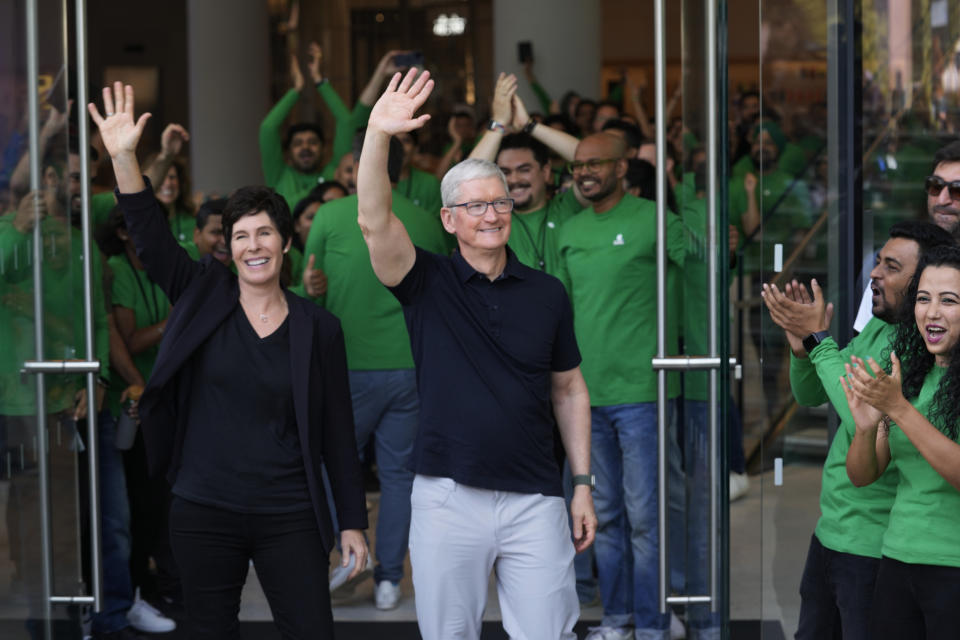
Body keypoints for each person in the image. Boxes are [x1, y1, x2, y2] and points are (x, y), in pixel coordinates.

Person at [89, 82, 368, 638]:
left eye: (266, 232)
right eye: (241, 235)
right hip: (204, 508)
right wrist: (123, 157)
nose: (253, 245)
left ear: (287, 242)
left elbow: (338, 432)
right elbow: (148, 236)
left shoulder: (320, 329)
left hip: (290, 512)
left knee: (312, 629)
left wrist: (353, 525)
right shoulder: (201, 296)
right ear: (228, 247)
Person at [357, 68, 596, 640]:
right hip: (447, 496)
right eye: (475, 206)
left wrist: (582, 483)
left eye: (501, 203)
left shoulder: (546, 292)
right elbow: (373, 220)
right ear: (449, 219)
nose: (491, 215)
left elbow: (568, 388)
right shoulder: (425, 281)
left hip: (535, 497)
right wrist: (378, 133)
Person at [762, 221, 953, 639]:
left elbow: (859, 411)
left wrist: (819, 342)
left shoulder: (917, 347)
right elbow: (815, 393)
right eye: (878, 262)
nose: (874, 273)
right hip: (832, 531)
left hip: (874, 543)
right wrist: (803, 348)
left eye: (890, 266)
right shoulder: (879, 327)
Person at [300, 131, 447, 609]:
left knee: (331, 466)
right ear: (401, 171)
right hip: (413, 369)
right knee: (401, 476)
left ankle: (341, 559)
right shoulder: (427, 220)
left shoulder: (329, 215)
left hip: (348, 367)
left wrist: (310, 286)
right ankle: (388, 578)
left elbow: (310, 296)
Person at [556, 131, 686, 640]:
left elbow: (707, 262)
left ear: (622, 167)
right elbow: (561, 315)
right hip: (585, 397)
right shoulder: (569, 230)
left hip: (643, 394)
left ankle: (653, 626)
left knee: (645, 521)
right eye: (577, 166)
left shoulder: (655, 219)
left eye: (595, 164)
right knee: (603, 518)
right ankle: (616, 621)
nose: (584, 172)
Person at [843, 243, 960, 638]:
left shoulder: (900, 397)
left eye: (949, 301)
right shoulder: (910, 375)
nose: (932, 312)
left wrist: (898, 409)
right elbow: (862, 475)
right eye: (923, 299)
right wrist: (865, 425)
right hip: (896, 559)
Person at [468, 73, 584, 276]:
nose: (514, 180)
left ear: (546, 172)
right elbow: (465, 180)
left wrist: (530, 125)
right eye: (505, 172)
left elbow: (588, 158)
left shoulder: (568, 206)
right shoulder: (490, 220)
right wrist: (498, 124)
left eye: (524, 170)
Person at [180, 197, 230, 266]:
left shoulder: (243, 268)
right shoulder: (175, 257)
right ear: (197, 235)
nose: (224, 241)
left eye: (231, 233)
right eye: (216, 232)